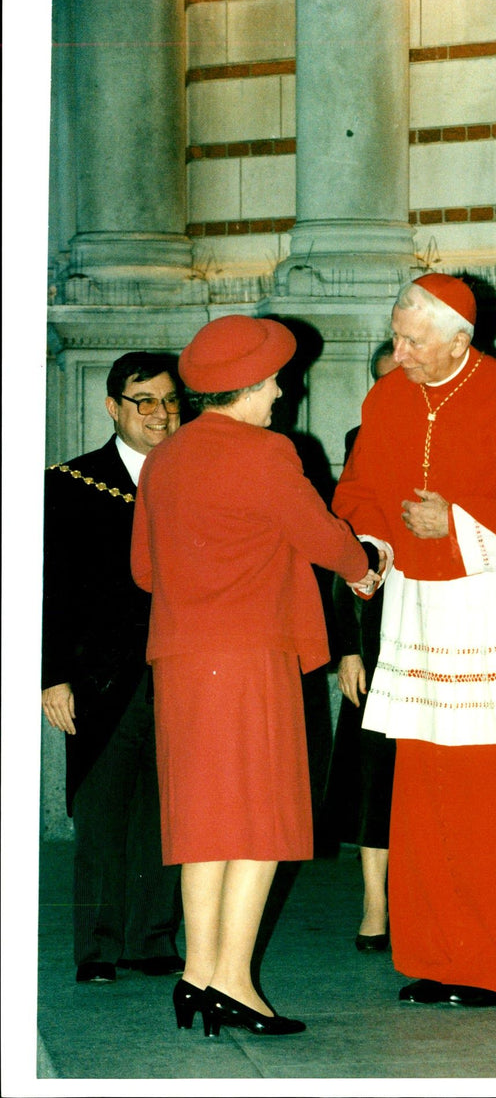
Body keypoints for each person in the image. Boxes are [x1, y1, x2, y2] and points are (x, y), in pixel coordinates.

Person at [333, 273, 496, 1007]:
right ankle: (442, 954)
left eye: (413, 341)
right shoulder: (388, 397)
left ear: (461, 338)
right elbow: (361, 494)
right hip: (422, 621)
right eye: (396, 336)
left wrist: (457, 520)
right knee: (432, 798)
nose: (400, 352)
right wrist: (371, 552)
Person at [130, 315, 382, 1038]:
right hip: (247, 660)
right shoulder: (268, 452)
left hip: (181, 661)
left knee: (206, 826)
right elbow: (325, 540)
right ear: (247, 387)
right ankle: (235, 984)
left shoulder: (168, 458)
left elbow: (145, 571)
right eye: (274, 379)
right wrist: (369, 567)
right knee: (261, 823)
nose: (282, 390)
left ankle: (198, 975)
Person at [41, 352, 185, 984]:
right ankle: (98, 948)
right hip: (101, 679)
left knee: (168, 811)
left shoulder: (194, 475)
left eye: (171, 400)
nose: (161, 413)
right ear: (113, 407)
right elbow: (50, 588)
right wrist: (51, 675)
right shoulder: (70, 484)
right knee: (101, 815)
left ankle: (152, 940)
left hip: (182, 669)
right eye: (145, 401)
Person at [324, 339, 398, 952]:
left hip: (448, 625)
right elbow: (342, 550)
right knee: (374, 766)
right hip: (377, 630)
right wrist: (348, 647)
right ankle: (375, 905)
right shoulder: (358, 441)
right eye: (380, 379)